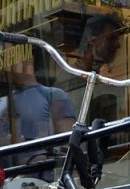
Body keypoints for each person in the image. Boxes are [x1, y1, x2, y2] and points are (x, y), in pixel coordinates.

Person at [0, 44, 77, 174]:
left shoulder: (53, 95)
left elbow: (69, 147)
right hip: (7, 185)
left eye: (9, 58)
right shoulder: (2, 102)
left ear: (27, 61)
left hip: (44, 182)